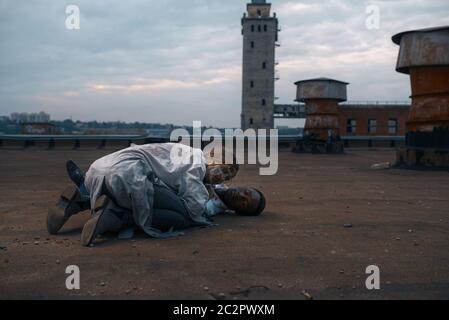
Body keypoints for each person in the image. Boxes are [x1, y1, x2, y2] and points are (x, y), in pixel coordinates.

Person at [47, 143, 266, 247]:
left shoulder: (185, 152)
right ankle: (115, 217)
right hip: (129, 177)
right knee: (184, 218)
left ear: (240, 211)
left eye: (245, 204)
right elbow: (194, 209)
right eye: (247, 192)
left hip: (98, 169)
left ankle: (82, 195)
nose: (242, 197)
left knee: (169, 200)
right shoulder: (196, 168)